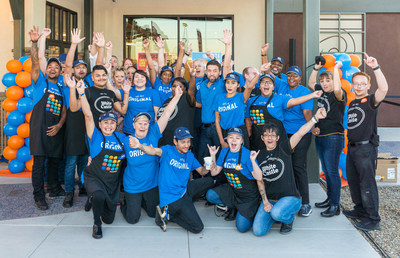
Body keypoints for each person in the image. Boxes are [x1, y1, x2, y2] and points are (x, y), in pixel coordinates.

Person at [253, 108, 327, 236]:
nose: (269, 138)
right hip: (271, 199)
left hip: (290, 197)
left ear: (277, 137)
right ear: (262, 137)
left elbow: (300, 132)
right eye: (266, 135)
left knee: (277, 213)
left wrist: (315, 118)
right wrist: (265, 202)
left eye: (272, 135)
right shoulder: (259, 156)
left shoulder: (284, 148)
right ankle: (277, 214)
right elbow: (260, 181)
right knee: (258, 231)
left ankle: (288, 219)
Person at [129, 127, 214, 233]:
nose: (187, 145)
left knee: (209, 181)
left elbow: (202, 172)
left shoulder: (189, 155)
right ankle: (168, 215)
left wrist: (208, 165)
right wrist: (140, 146)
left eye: (188, 141)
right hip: (172, 198)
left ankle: (186, 206)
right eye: (183, 142)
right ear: (175, 141)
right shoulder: (168, 151)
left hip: (184, 191)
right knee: (198, 228)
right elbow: (154, 150)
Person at [74, 78, 129, 239]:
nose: (109, 125)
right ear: (100, 124)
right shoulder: (95, 136)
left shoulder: (121, 138)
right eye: (106, 123)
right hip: (94, 177)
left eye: (112, 122)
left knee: (110, 219)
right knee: (98, 196)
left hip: (111, 182)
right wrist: (81, 93)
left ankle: (95, 203)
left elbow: (137, 144)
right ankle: (96, 224)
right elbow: (88, 115)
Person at [120, 86, 183, 224]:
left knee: (151, 214)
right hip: (133, 186)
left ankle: (142, 201)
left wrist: (177, 97)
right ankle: (126, 201)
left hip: (151, 185)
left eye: (146, 123)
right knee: (133, 219)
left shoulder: (153, 133)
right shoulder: (125, 140)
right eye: (140, 123)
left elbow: (166, 114)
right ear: (133, 125)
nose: (143, 126)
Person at [343, 53, 388, 231]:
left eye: (363, 84)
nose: (359, 86)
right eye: (356, 84)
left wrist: (375, 68)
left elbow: (383, 90)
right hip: (352, 149)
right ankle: (360, 210)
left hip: (365, 149)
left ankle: (373, 219)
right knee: (354, 181)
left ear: (368, 86)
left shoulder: (371, 101)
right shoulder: (353, 102)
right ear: (352, 86)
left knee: (367, 184)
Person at [29, 26, 67, 210]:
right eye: (50, 67)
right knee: (39, 164)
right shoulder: (39, 84)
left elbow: (65, 110)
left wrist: (60, 125)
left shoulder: (60, 88)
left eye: (56, 67)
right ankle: (38, 196)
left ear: (60, 71)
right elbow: (36, 62)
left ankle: (54, 188)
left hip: (55, 130)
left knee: (54, 161)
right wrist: (36, 42)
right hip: (39, 130)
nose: (52, 69)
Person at [245, 70, 322, 151]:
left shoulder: (280, 98)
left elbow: (294, 101)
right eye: (263, 82)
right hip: (256, 141)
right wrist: (249, 134)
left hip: (276, 142)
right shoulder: (252, 100)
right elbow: (248, 119)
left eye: (270, 83)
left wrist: (312, 95)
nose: (266, 84)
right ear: (259, 86)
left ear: (273, 87)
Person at [308, 60, 347, 217]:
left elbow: (337, 88)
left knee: (332, 171)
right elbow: (311, 82)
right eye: (322, 81)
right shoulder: (321, 92)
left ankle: (335, 205)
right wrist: (316, 68)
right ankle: (329, 199)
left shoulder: (338, 94)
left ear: (333, 81)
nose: (324, 83)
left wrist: (336, 69)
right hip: (321, 136)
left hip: (333, 137)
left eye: (328, 80)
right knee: (326, 169)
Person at [206, 127, 262, 232]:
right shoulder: (224, 152)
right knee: (210, 195)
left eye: (237, 138)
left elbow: (259, 177)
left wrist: (253, 161)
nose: (233, 140)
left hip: (248, 195)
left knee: (242, 227)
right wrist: (212, 156)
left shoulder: (247, 155)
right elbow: (214, 172)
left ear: (242, 141)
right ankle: (233, 207)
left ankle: (250, 209)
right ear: (227, 140)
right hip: (233, 190)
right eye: (231, 137)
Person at [61, 29, 93, 208]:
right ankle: (68, 192)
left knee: (83, 160)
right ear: (73, 69)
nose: (81, 69)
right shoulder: (68, 81)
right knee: (71, 161)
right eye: (78, 67)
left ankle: (82, 187)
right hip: (73, 126)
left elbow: (101, 65)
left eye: (83, 67)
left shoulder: (88, 81)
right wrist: (73, 44)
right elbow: (66, 66)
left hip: (87, 125)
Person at [278, 66, 315, 217]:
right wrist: (263, 55)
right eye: (289, 75)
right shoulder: (282, 85)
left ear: (300, 78)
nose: (291, 78)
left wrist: (312, 126)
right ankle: (289, 198)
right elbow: (268, 74)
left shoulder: (304, 91)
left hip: (300, 133)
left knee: (298, 166)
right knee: (284, 167)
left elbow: (306, 111)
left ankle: (305, 203)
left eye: (295, 76)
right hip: (283, 133)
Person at [196, 30, 231, 163]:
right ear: (206, 72)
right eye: (209, 70)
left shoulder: (223, 84)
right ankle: (206, 181)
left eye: (215, 71)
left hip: (219, 129)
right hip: (204, 129)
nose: (212, 73)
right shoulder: (203, 86)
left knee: (221, 158)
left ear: (220, 72)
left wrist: (227, 46)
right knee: (203, 158)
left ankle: (219, 182)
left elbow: (226, 65)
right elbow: (200, 103)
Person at [156, 48, 196, 147]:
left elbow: (191, 90)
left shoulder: (186, 98)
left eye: (180, 87)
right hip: (165, 140)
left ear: (184, 89)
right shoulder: (168, 100)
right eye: (174, 86)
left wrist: (192, 77)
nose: (176, 88)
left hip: (181, 143)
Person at [147, 36, 175, 104]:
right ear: (161, 75)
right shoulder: (157, 83)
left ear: (172, 77)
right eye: (165, 74)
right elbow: (153, 68)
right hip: (158, 111)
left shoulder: (173, 84)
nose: (167, 77)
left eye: (170, 75)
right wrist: (147, 49)